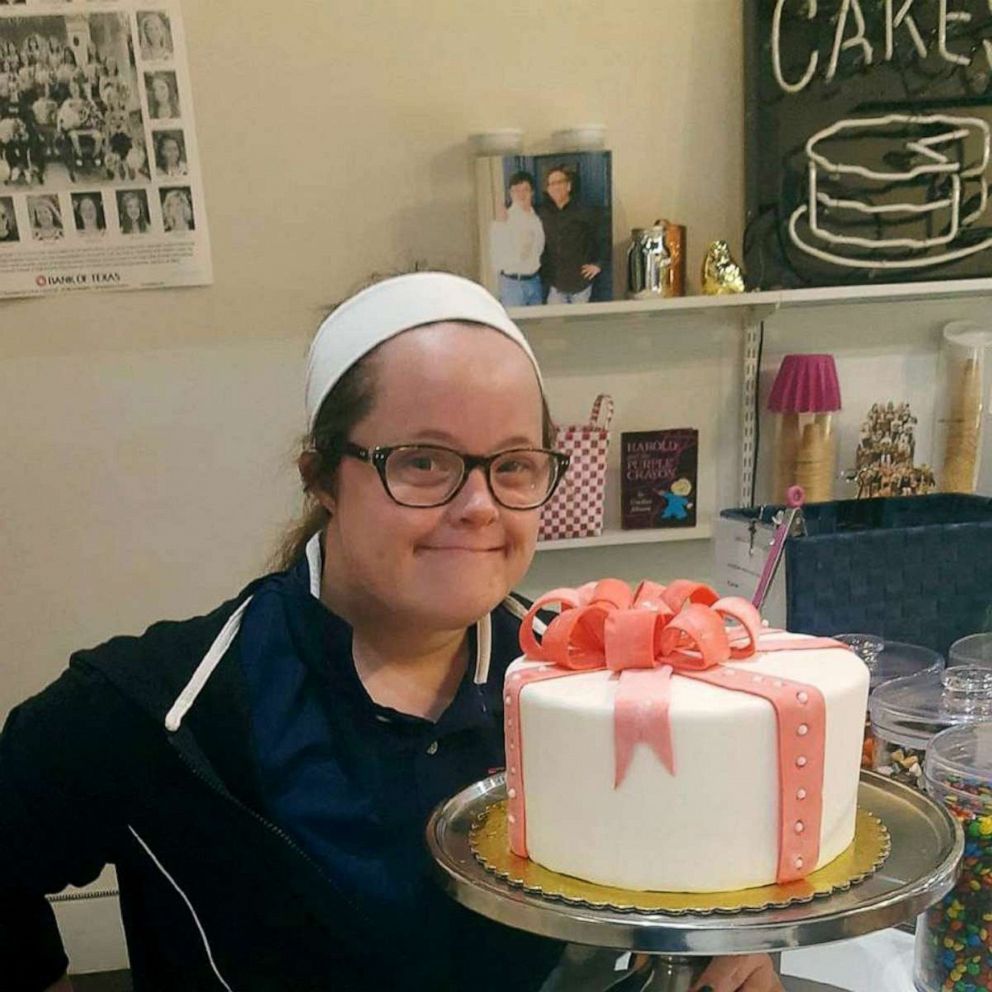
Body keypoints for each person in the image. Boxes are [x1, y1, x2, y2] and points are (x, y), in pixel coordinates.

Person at [0, 272, 782, 992]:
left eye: (513, 465)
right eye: (422, 461)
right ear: (322, 479)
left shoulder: (598, 686)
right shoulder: (163, 710)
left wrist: (717, 944)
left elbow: (670, 873)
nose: (480, 505)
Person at [538, 165, 603, 304]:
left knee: (579, 325)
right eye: (552, 184)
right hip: (555, 286)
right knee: (554, 324)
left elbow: (602, 238)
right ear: (548, 190)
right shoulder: (542, 213)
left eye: (560, 182)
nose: (556, 187)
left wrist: (598, 264)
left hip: (581, 286)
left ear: (568, 186)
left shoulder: (585, 211)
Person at [489, 169, 544, 307]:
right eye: (516, 190)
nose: (521, 194)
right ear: (510, 193)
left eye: (525, 189)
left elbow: (539, 250)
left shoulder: (537, 219)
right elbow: (496, 260)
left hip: (535, 282)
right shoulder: (503, 220)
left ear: (532, 192)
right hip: (513, 285)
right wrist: (520, 254)